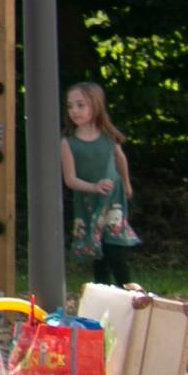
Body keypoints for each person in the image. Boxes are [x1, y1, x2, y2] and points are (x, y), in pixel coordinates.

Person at [62, 81, 140, 286]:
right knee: (99, 252)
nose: (74, 111)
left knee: (116, 248)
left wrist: (126, 183)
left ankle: (130, 293)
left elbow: (119, 158)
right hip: (89, 201)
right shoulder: (68, 142)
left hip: (113, 200)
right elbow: (70, 179)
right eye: (70, 106)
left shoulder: (108, 137)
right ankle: (103, 294)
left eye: (80, 105)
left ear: (95, 106)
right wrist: (93, 187)